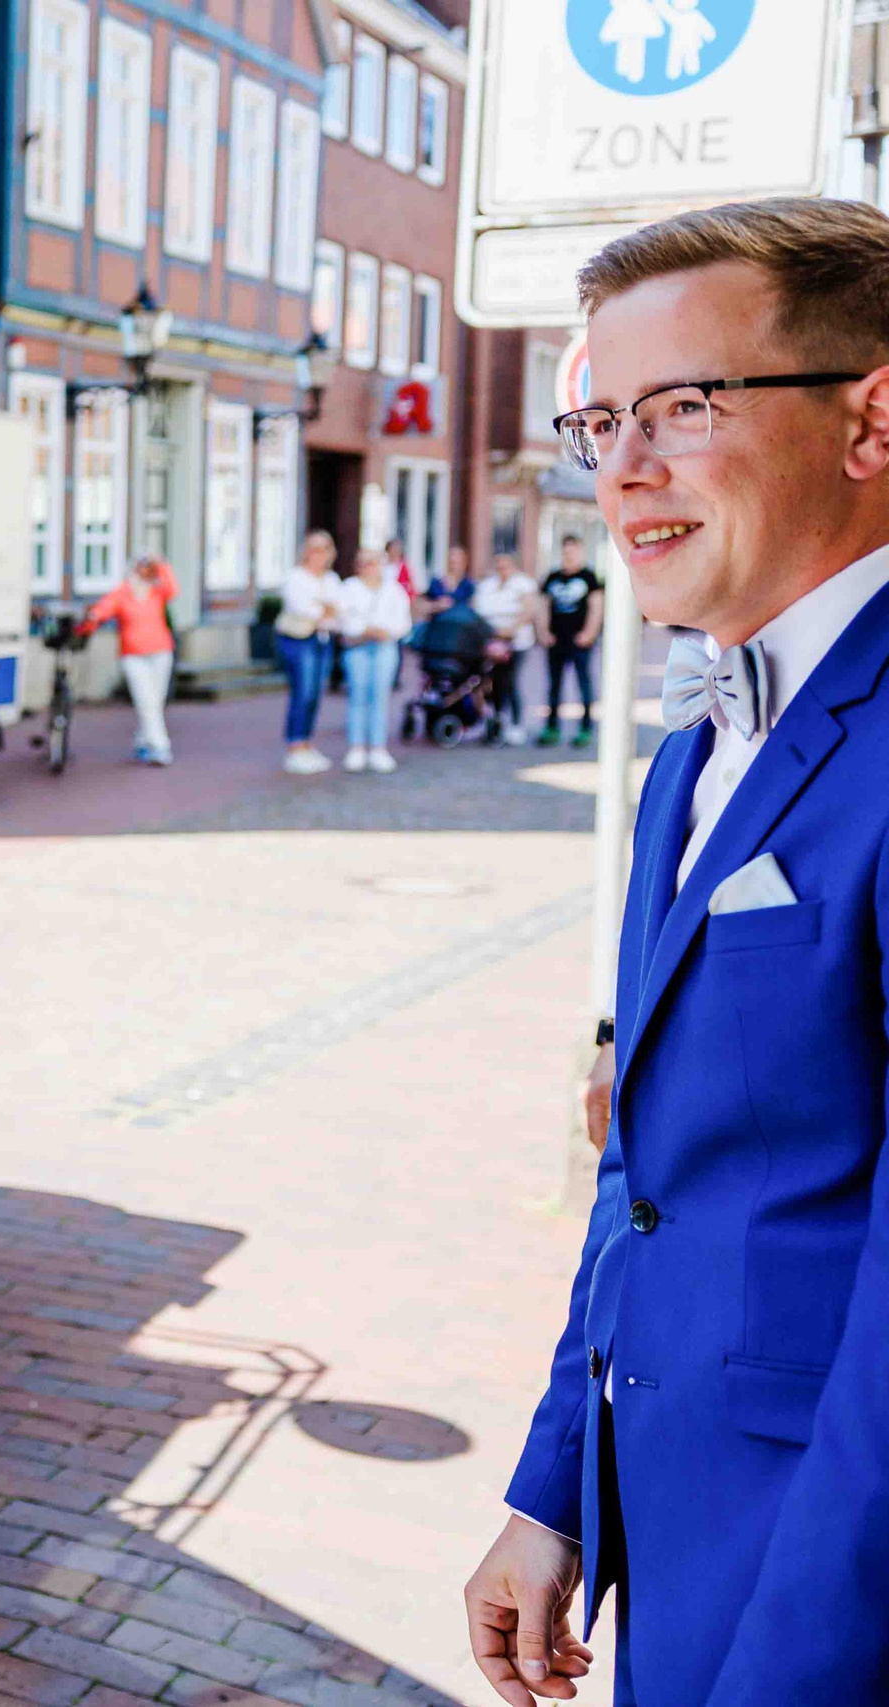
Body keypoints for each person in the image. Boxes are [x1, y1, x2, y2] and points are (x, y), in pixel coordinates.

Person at [464, 196, 889, 1706]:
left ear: (869, 417)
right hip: (677, 1532)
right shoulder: (689, 757)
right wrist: (556, 1485)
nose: (622, 468)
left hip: (821, 1593)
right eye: (600, 422)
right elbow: (645, 1175)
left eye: (683, 407)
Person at [76, 553, 180, 764]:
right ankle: (160, 747)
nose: (143, 573)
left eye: (147, 569)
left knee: (155, 702)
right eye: (139, 568)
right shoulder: (122, 593)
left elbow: (173, 587)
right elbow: (103, 609)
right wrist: (90, 621)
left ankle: (143, 742)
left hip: (161, 652)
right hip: (133, 655)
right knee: (145, 700)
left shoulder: (157, 592)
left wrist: (159, 563)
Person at [333, 546, 409, 772]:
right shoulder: (349, 588)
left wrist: (386, 631)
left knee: (380, 695)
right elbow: (342, 618)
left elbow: (403, 621)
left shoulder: (393, 590)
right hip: (358, 646)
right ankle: (356, 747)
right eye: (363, 563)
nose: (368, 568)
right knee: (358, 693)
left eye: (373, 563)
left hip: (385, 647)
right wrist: (363, 631)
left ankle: (378, 747)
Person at [277, 530, 338, 773]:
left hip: (322, 639)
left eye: (324, 548)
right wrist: (325, 608)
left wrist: (325, 609)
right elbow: (302, 608)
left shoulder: (331, 579)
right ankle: (295, 745)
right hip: (298, 640)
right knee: (302, 691)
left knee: (315, 693)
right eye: (314, 548)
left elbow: (341, 609)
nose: (318, 555)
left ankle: (307, 743)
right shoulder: (296, 577)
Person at [537, 533, 605, 747]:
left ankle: (585, 728)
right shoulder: (553, 577)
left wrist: (589, 633)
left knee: (583, 683)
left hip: (580, 642)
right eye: (566, 551)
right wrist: (543, 632)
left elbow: (597, 607)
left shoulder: (589, 577)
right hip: (556, 641)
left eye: (573, 551)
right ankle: (552, 727)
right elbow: (543, 606)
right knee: (554, 685)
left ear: (580, 552)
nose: (569, 555)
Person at [472, 553, 543, 743]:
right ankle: (492, 722)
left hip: (516, 642)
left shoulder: (524, 584)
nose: (502, 570)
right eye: (499, 566)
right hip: (491, 643)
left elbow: (529, 610)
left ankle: (516, 724)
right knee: (488, 683)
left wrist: (509, 630)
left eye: (506, 566)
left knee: (510, 682)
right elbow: (476, 609)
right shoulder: (487, 586)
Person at [420, 544, 479, 617]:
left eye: (457, 562)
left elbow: (473, 608)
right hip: (438, 623)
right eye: (452, 561)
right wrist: (437, 605)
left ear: (464, 563)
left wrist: (452, 605)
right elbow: (423, 606)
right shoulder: (436, 583)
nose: (454, 564)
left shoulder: (468, 585)